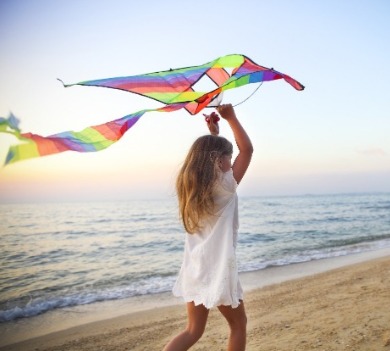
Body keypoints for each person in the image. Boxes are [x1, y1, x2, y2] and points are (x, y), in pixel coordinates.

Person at [163, 104, 253, 351]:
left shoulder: (190, 187)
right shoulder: (225, 185)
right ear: (217, 159)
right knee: (238, 325)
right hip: (219, 266)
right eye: (228, 156)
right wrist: (232, 118)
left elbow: (216, 161)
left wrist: (215, 135)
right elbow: (248, 149)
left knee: (193, 331)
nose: (231, 160)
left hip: (195, 266)